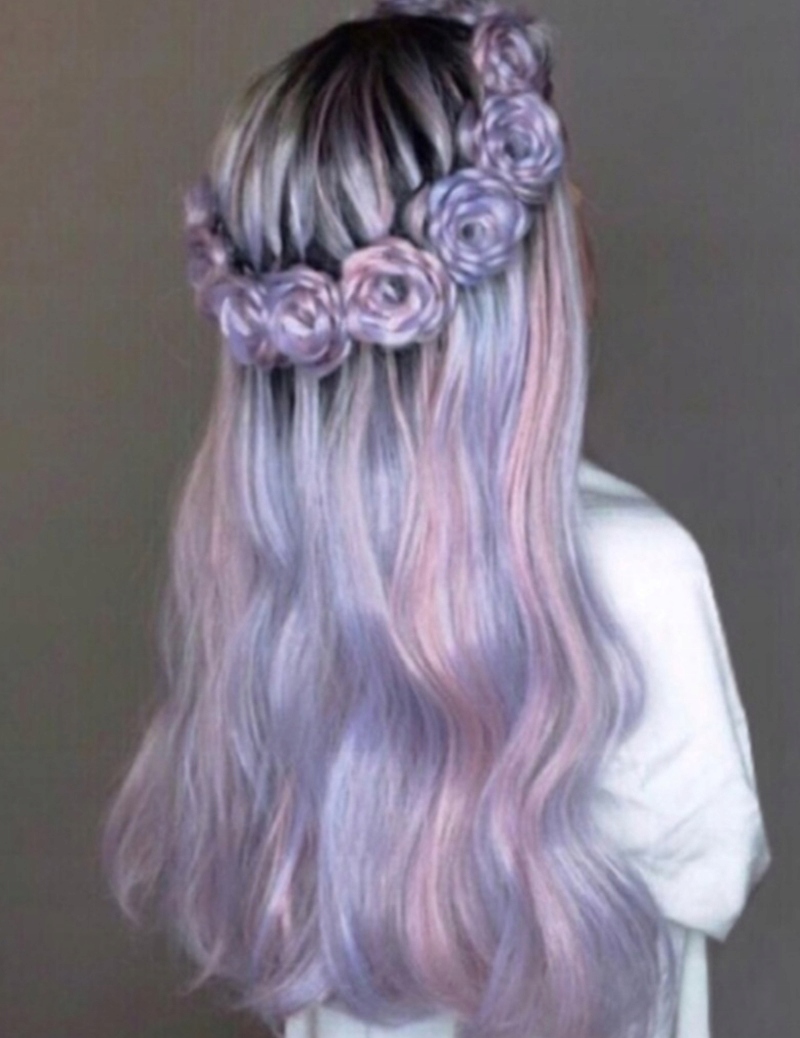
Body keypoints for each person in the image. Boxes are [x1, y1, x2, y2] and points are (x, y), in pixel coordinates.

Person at [100, 3, 771, 1037]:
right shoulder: (629, 566)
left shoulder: (271, 565)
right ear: (521, 283)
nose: (581, 202)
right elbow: (710, 870)